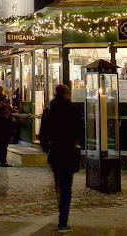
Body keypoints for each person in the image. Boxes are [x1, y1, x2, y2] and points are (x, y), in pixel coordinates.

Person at [39, 85, 82, 233]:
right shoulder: (73, 109)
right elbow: (79, 129)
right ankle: (63, 220)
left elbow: (43, 133)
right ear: (67, 94)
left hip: (56, 151)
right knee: (66, 186)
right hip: (69, 151)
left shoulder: (49, 110)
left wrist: (47, 148)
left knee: (58, 184)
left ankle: (61, 216)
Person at [0, 85, 13, 167]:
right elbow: (7, 108)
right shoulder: (2, 99)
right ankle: (3, 161)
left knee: (0, 143)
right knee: (4, 143)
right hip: (4, 123)